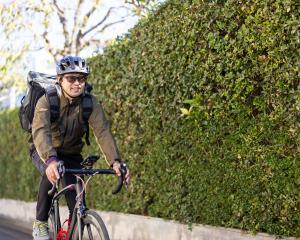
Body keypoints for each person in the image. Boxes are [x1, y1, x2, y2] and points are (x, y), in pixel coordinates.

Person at [30, 55, 130, 240]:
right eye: (71, 78)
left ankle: (76, 225)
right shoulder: (47, 100)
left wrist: (115, 162)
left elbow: (103, 132)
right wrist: (51, 160)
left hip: (71, 154)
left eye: (81, 79)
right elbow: (41, 132)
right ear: (60, 80)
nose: (77, 83)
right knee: (50, 172)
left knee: (77, 201)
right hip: (43, 150)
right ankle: (41, 223)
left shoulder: (89, 103)